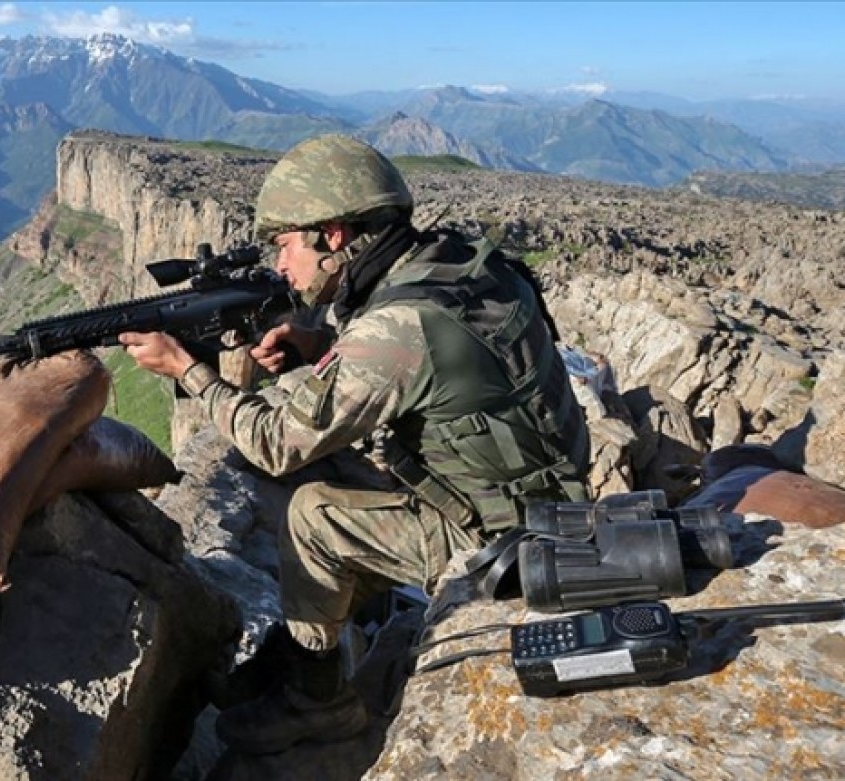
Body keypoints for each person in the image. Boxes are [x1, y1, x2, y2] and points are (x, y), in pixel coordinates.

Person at [119, 135, 590, 754]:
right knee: (339, 460)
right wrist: (317, 350)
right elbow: (430, 373)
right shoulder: (457, 263)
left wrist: (188, 371)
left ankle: (317, 702)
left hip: (505, 541)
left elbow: (273, 445)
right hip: (536, 491)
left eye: (287, 244)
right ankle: (301, 643)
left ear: (334, 236)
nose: (281, 265)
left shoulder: (399, 328)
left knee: (313, 515)